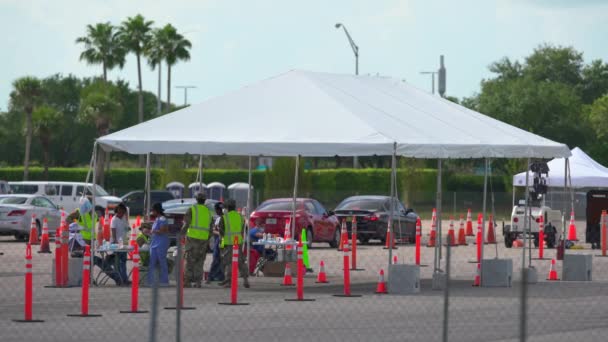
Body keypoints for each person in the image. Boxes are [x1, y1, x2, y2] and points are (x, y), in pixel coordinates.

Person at [180, 193, 214, 288]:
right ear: (204, 200)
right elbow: (211, 228)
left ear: (196, 199)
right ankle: (198, 281)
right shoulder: (208, 212)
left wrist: (181, 234)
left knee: (190, 260)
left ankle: (187, 281)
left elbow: (186, 224)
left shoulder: (192, 209)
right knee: (200, 261)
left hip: (192, 239)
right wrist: (207, 238)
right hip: (203, 240)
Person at [218, 199, 249, 288]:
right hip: (238, 241)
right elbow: (243, 230)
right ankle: (245, 279)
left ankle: (229, 281)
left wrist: (222, 244)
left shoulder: (224, 217)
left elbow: (221, 232)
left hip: (228, 242)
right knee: (241, 261)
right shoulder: (240, 217)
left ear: (227, 207)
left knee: (229, 263)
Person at [147, 202, 170, 287]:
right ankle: (150, 281)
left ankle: (164, 281)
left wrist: (152, 231)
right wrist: (149, 232)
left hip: (161, 243)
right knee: (152, 262)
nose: (152, 212)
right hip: (154, 243)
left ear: (157, 210)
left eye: (153, 210)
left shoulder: (163, 219)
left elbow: (163, 230)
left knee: (162, 262)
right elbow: (155, 232)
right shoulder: (157, 219)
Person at [110, 203, 130, 285]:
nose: (121, 214)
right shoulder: (114, 219)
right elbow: (113, 230)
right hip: (117, 243)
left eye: (123, 212)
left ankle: (124, 279)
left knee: (123, 262)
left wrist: (128, 228)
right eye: (120, 212)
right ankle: (119, 280)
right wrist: (115, 240)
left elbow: (126, 227)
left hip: (124, 242)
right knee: (117, 263)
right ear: (117, 211)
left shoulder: (124, 218)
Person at [206, 202, 225, 283]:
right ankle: (220, 276)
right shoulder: (225, 218)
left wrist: (218, 233)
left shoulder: (219, 219)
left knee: (216, 258)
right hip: (225, 240)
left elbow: (215, 230)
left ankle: (211, 276)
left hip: (220, 240)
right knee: (221, 259)